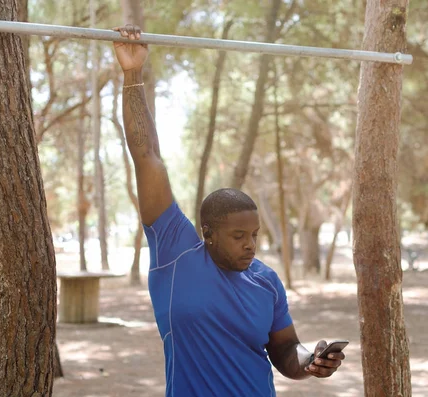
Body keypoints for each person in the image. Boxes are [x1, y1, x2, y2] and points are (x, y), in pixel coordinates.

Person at [112, 24, 346, 396]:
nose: (250, 245)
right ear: (207, 233)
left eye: (254, 234)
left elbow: (285, 350)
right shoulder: (175, 253)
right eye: (238, 236)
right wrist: (132, 73)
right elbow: (147, 157)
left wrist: (312, 361)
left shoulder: (266, 281)